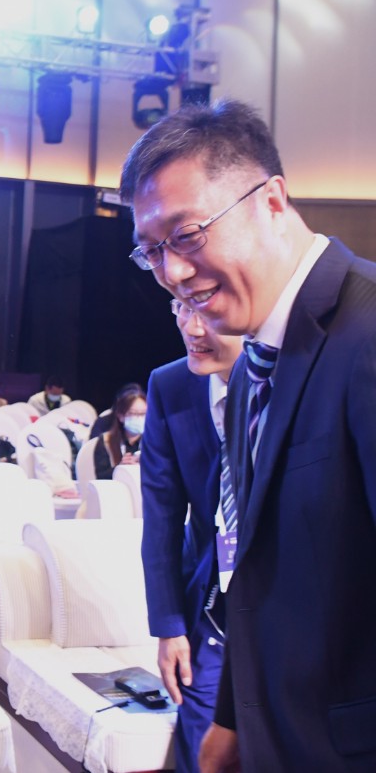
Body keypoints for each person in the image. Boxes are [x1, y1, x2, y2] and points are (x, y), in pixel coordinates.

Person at [121, 99, 376, 772]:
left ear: (271, 201)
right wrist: (233, 720)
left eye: (187, 235)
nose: (173, 273)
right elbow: (258, 573)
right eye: (152, 251)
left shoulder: (367, 331)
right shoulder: (256, 365)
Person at [141, 298, 243, 772]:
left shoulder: (291, 380)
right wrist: (169, 626)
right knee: (202, 748)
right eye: (182, 309)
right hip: (211, 607)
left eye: (207, 312)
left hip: (286, 607)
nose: (192, 328)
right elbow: (162, 516)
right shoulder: (170, 385)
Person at [93, 385, 145, 479]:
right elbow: (101, 477)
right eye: (134, 413)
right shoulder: (106, 441)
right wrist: (120, 468)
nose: (139, 418)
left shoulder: (155, 440)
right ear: (121, 416)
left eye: (143, 414)